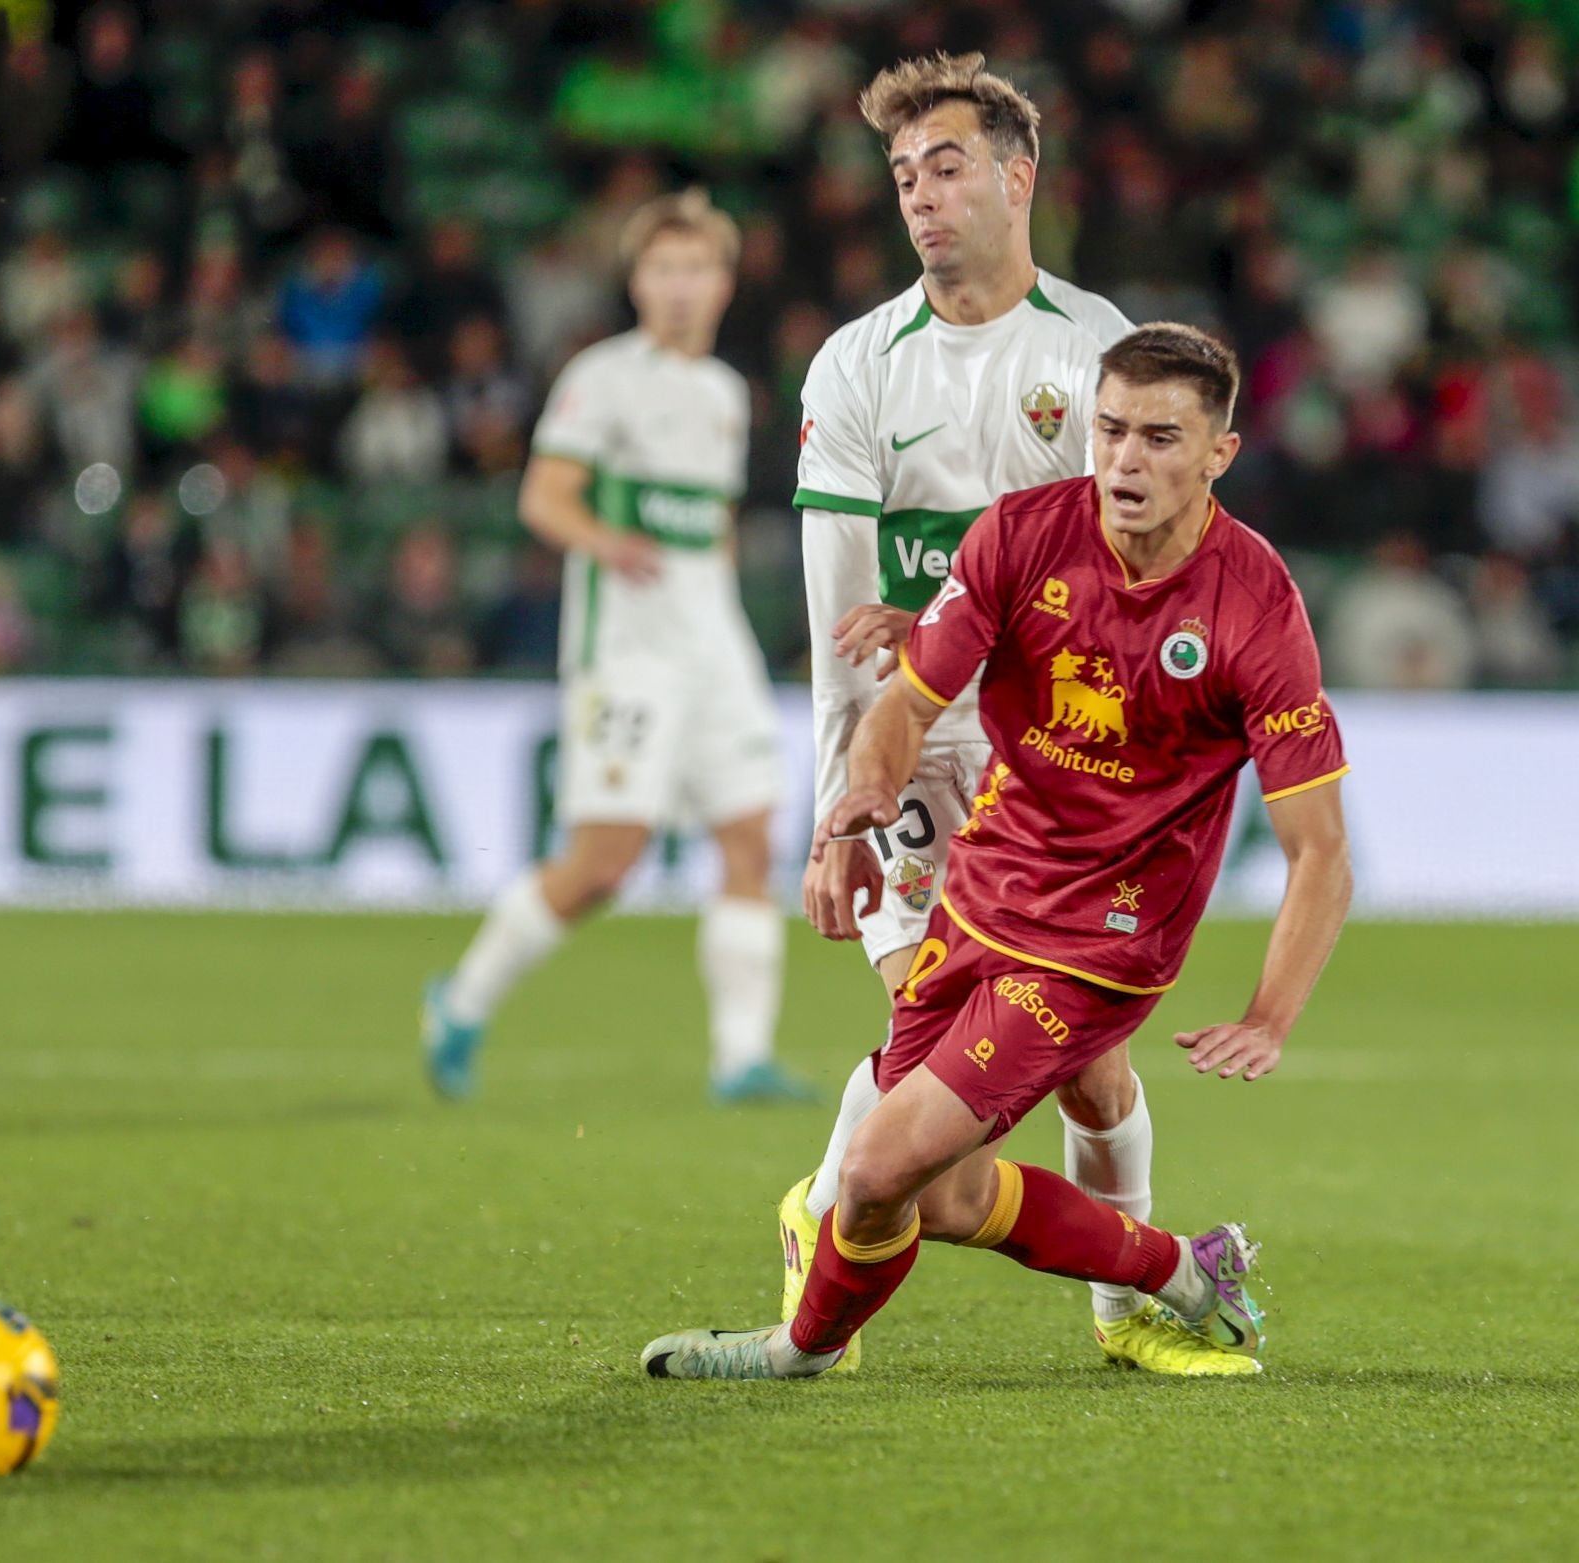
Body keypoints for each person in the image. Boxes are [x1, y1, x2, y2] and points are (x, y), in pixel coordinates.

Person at [641, 324, 1352, 1381]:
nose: (1126, 460)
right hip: (980, 895)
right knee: (944, 1195)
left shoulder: (1254, 605)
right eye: (1110, 430)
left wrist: (1270, 1015)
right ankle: (1185, 1276)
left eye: (1162, 438)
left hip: (1104, 938)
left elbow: (1318, 851)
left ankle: (799, 1352)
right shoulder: (1022, 534)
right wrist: (868, 790)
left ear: (1220, 454)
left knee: (875, 1166)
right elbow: (909, 698)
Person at [785, 53, 1225, 1374]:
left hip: (1059, 764)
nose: (921, 195)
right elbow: (835, 627)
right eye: (904, 174)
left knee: (1088, 1072)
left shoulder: (1094, 354)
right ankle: (831, 1230)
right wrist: (834, 816)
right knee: (926, 1063)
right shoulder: (856, 366)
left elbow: (1136, 587)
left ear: (1019, 176)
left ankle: (1131, 1298)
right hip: (916, 758)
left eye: (949, 165)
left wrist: (954, 621)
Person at [421, 191, 811, 1105]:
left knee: (751, 836)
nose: (680, 287)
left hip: (713, 647)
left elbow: (708, 526)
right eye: (663, 269)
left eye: (697, 269)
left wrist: (713, 605)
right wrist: (605, 542)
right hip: (627, 654)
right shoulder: (601, 377)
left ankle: (740, 1057)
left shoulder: (722, 395)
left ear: (723, 282)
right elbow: (542, 497)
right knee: (605, 864)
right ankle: (463, 999)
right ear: (637, 280)